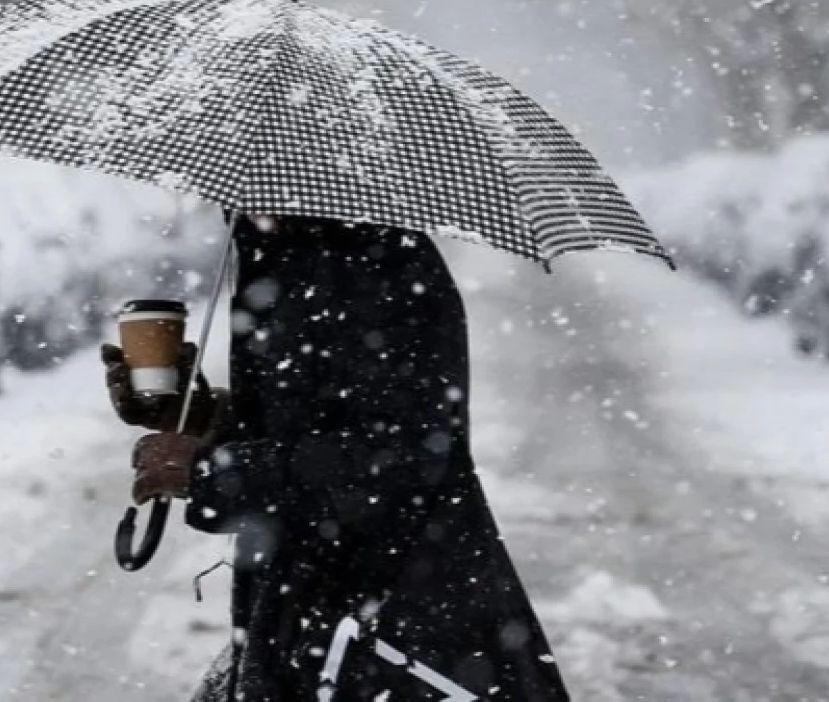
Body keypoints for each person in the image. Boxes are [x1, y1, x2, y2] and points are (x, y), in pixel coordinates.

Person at [102, 215, 568, 701]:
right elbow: (312, 418)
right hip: (308, 605)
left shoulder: (380, 266)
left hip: (389, 609)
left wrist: (216, 474)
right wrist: (198, 416)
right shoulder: (285, 252)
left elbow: (401, 457)